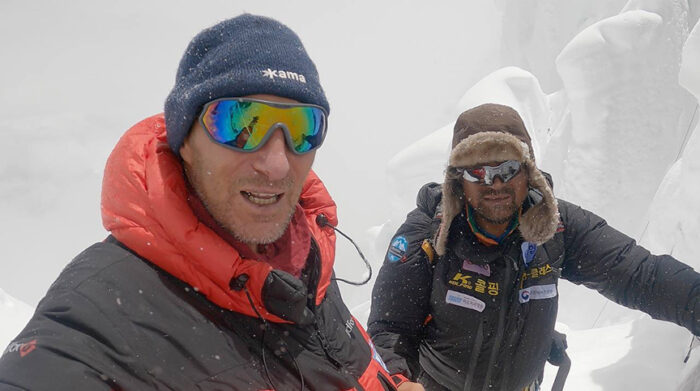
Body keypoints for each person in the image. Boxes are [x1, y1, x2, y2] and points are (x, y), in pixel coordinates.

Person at [0, 14, 397, 390]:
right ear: (184, 141)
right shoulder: (102, 315)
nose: (277, 165)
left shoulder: (307, 255)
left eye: (303, 128)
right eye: (241, 124)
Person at [368, 103, 700, 391]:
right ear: (459, 179)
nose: (494, 183)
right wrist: (397, 380)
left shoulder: (556, 225)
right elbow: (390, 328)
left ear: (529, 171)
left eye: (507, 168)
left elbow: (639, 274)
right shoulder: (428, 234)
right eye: (478, 171)